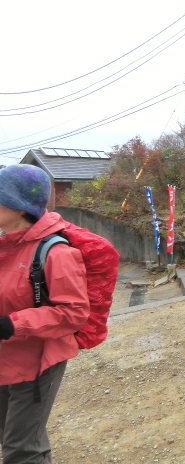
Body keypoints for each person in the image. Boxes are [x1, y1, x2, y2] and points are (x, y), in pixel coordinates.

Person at [0, 164, 90, 464]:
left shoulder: (56, 252)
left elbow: (74, 312)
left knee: (19, 450)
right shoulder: (6, 245)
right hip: (6, 357)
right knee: (15, 437)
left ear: (18, 205)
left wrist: (11, 324)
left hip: (38, 362)